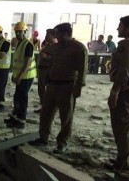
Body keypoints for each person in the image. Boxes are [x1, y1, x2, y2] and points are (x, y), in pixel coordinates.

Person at [30, 23, 88, 154]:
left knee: (66, 116)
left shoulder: (78, 48)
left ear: (66, 33)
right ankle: (43, 137)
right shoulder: (56, 47)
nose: (55, 36)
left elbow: (83, 69)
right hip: (52, 85)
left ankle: (62, 142)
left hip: (67, 86)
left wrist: (79, 86)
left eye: (58, 33)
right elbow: (45, 53)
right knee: (46, 113)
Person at [108, 15, 129, 175]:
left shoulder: (125, 46)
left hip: (125, 92)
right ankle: (123, 160)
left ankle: (123, 164)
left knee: (121, 128)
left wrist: (115, 91)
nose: (118, 29)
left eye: (120, 26)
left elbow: (125, 70)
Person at [4, 22, 37, 129]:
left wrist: (19, 76)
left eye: (20, 32)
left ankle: (21, 120)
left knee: (22, 98)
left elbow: (27, 63)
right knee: (17, 97)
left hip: (26, 76)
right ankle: (15, 117)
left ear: (25, 32)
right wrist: (16, 75)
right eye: (16, 32)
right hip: (21, 76)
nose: (18, 34)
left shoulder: (27, 44)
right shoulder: (19, 43)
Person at [35, 29, 58, 113]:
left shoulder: (56, 47)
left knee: (48, 91)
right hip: (42, 69)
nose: (45, 36)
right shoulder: (46, 45)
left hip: (48, 70)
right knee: (41, 90)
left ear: (53, 36)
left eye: (48, 34)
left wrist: (46, 57)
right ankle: (43, 107)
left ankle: (48, 109)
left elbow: (57, 59)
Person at [0, 25, 11, 111]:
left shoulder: (6, 43)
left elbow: (2, 55)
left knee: (0, 86)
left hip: (3, 68)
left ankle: (1, 104)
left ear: (0, 33)